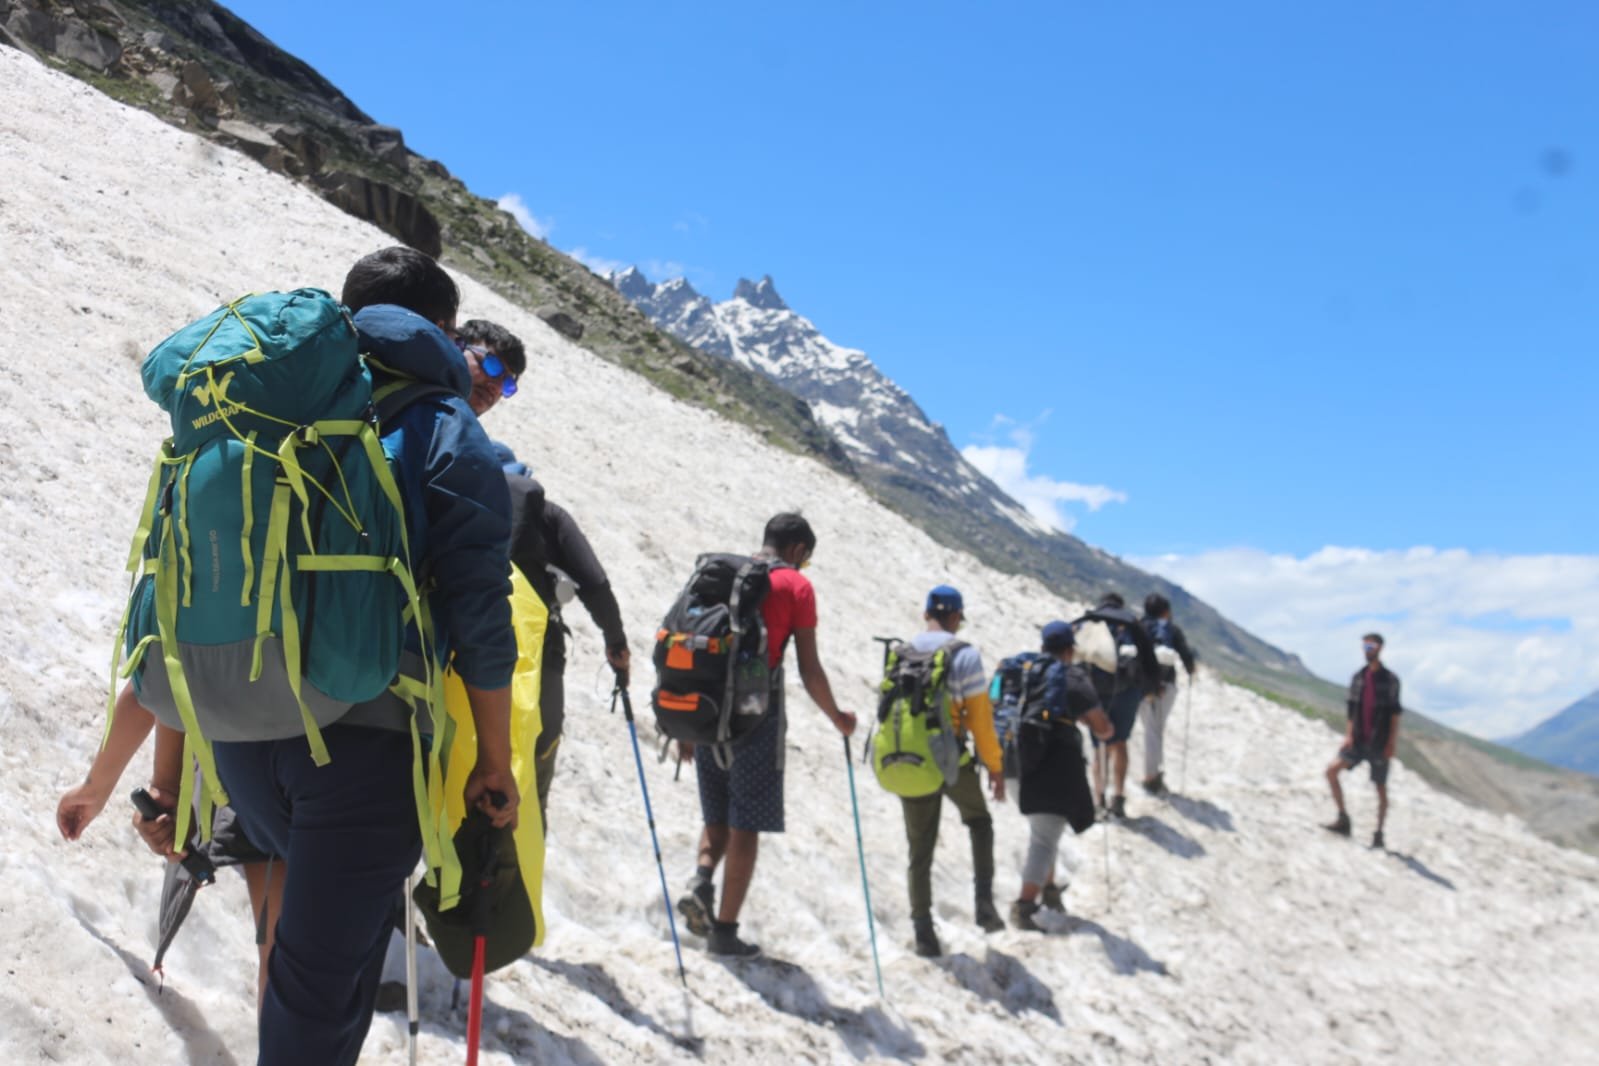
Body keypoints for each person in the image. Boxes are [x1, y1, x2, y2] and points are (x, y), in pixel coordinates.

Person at [140, 246, 521, 1066]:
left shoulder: (263, 404)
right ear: (442, 332)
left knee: (309, 972)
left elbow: (184, 570)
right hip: (362, 740)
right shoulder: (438, 419)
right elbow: (479, 608)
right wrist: (494, 758)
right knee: (318, 994)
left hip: (240, 729)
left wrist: (167, 771)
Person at [676, 514, 857, 958]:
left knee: (716, 814)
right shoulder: (796, 587)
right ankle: (724, 930)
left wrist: (687, 725)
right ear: (797, 551)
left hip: (707, 708)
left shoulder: (723, 573)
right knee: (746, 823)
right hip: (758, 716)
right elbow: (809, 668)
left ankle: (701, 879)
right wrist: (837, 717)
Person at [57, 683, 285, 1008]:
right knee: (307, 962)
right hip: (352, 751)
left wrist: (109, 786)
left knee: (283, 962)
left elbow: (161, 672)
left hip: (251, 764)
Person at [899, 585, 1007, 958]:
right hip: (951, 761)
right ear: (957, 617)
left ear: (926, 612)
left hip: (909, 757)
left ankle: (923, 930)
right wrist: (994, 766)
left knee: (920, 848)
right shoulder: (964, 655)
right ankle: (984, 905)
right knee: (979, 821)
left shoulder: (903, 651)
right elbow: (980, 718)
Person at [1009, 622, 1113, 931]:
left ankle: (1050, 890)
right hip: (1048, 767)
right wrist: (1106, 729)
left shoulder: (1025, 672)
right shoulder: (1073, 678)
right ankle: (1025, 906)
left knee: (1043, 831)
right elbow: (1102, 727)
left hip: (1012, 761)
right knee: (1045, 836)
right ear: (1069, 650)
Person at [1081, 592, 1159, 819]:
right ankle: (1118, 796)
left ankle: (1099, 799)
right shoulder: (1130, 623)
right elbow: (1148, 658)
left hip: (1096, 693)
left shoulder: (1091, 622)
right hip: (1127, 694)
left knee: (1099, 747)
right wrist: (1149, 689)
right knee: (1120, 744)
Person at [1324, 633, 1402, 848]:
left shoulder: (1391, 680)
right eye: (1365, 645)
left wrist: (1391, 743)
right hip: (1358, 739)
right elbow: (1352, 710)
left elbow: (1395, 714)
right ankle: (1343, 818)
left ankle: (1379, 833)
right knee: (1331, 771)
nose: (1368, 649)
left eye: (1371, 645)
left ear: (1380, 648)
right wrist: (1349, 735)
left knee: (1380, 788)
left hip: (1379, 742)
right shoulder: (1358, 677)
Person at [1138, 593, 1197, 795]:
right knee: (1156, 730)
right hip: (1166, 685)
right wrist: (1190, 670)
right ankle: (1152, 775)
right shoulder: (1171, 629)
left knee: (1150, 729)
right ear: (1165, 611)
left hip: (1142, 687)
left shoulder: (1138, 627)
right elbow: (1186, 656)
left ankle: (1152, 773)